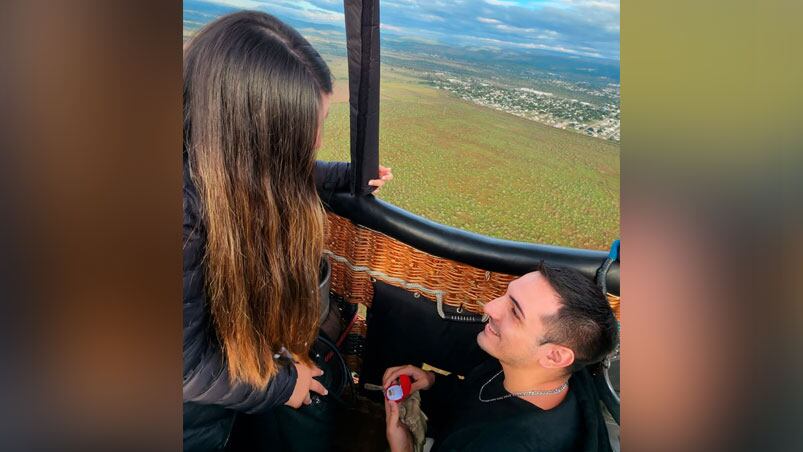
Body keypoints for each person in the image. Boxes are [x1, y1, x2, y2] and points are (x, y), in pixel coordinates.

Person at [182, 11, 392, 451]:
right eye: (302, 132)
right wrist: (281, 385)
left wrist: (346, 176)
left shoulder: (201, 145)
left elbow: (259, 169)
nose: (315, 141)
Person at [383, 263, 618, 452]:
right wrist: (433, 382)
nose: (490, 307)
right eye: (506, 294)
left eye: (515, 312)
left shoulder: (509, 444)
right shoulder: (527, 370)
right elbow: (477, 400)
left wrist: (402, 447)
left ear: (555, 356)